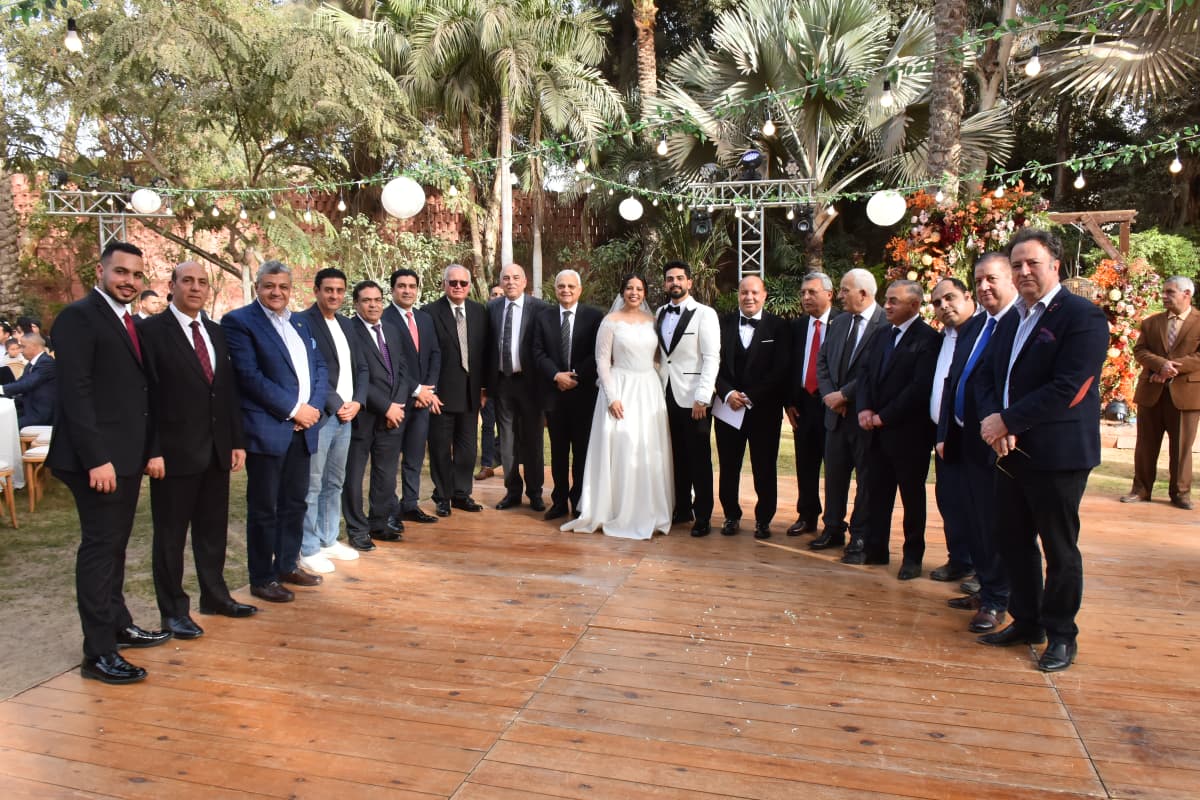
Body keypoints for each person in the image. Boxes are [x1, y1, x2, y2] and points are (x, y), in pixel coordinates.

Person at [975, 227, 1109, 673]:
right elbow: (986, 376)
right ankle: (1027, 621)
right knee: (1013, 540)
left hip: (1057, 453)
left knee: (1059, 547)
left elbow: (1070, 387)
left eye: (1032, 262)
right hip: (1009, 452)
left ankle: (1062, 634)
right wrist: (995, 421)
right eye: (1016, 264)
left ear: (1055, 264)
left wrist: (1009, 420)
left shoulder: (1082, 316)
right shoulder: (1011, 319)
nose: (1024, 271)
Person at [47, 241, 170, 685]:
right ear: (100, 271)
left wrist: (150, 449)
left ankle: (118, 624)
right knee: (101, 550)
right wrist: (96, 459)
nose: (129, 281)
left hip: (126, 457)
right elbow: (75, 393)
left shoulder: (129, 321)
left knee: (116, 546)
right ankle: (98, 653)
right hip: (96, 462)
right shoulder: (78, 318)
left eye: (136, 275)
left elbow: (141, 393)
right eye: (121, 272)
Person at [141, 261, 256, 640]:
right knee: (171, 537)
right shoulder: (151, 332)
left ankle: (215, 596)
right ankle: (174, 611)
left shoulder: (215, 332)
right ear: (171, 285)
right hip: (173, 454)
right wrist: (151, 450)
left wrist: (236, 440)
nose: (195, 288)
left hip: (216, 451)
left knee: (212, 531)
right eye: (187, 281)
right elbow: (145, 397)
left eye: (202, 282)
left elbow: (226, 391)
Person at [222, 261, 328, 604]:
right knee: (264, 508)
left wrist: (313, 409)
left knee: (295, 503)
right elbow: (249, 376)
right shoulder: (239, 322)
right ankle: (262, 577)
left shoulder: (299, 322)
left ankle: (286, 565)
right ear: (257, 287)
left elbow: (319, 367)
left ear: (290, 288)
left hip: (303, 429)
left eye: (283, 286)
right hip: (269, 430)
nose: (276, 292)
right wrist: (294, 409)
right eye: (269, 285)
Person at [937, 253, 1020, 634]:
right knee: (973, 521)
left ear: (1011, 279)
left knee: (995, 525)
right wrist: (945, 433)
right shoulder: (976, 326)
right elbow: (954, 382)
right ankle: (986, 588)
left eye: (992, 279)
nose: (984, 287)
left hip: (1000, 444)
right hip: (964, 439)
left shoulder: (1018, 324)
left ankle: (998, 600)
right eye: (979, 280)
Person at [563, 273, 672, 538]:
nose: (634, 292)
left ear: (645, 293)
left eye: (639, 289)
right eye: (629, 288)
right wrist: (612, 396)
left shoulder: (653, 321)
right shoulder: (610, 321)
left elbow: (660, 358)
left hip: (648, 389)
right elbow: (602, 361)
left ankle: (648, 509)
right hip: (620, 387)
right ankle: (613, 508)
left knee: (646, 447)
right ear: (622, 292)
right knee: (621, 446)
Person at [852, 280, 941, 578]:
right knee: (877, 493)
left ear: (914, 305)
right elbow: (865, 373)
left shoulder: (928, 339)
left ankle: (912, 557)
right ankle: (876, 549)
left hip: (908, 435)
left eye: (894, 301)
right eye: (887, 299)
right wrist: (864, 408)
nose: (886, 306)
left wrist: (884, 416)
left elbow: (919, 388)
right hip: (875, 432)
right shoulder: (881, 334)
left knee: (911, 498)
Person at [298, 268, 370, 570]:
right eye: (329, 290)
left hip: (347, 415)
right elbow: (311, 371)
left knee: (334, 481)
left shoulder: (347, 324)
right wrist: (338, 404)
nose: (334, 295)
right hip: (323, 415)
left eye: (340, 290)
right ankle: (308, 547)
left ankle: (328, 539)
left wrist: (358, 402)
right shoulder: (303, 322)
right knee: (312, 483)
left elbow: (362, 368)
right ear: (316, 290)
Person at [812, 268, 887, 555]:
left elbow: (875, 369)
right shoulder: (840, 321)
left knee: (866, 480)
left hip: (864, 417)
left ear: (863, 293)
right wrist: (831, 396)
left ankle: (860, 535)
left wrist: (845, 395)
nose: (840, 295)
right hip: (835, 417)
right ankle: (832, 528)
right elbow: (822, 362)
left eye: (845, 290)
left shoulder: (884, 323)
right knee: (834, 476)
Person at [714, 276, 792, 539]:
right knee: (728, 466)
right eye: (744, 292)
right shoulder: (722, 323)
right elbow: (711, 363)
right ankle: (730, 515)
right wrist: (727, 393)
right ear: (738, 294)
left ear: (764, 295)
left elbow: (781, 368)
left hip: (764, 411)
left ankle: (763, 520)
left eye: (754, 292)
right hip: (728, 409)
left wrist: (750, 396)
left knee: (765, 467)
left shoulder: (779, 326)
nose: (749, 297)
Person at [342, 280, 413, 547]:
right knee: (354, 476)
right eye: (366, 300)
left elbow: (402, 370)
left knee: (385, 473)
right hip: (363, 416)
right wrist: (386, 407)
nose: (373, 305)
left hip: (392, 416)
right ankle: (357, 529)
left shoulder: (391, 330)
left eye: (377, 300)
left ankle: (380, 523)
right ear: (356, 304)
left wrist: (398, 404)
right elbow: (358, 376)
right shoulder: (349, 330)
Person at [1122, 276, 1199, 510]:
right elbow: (1140, 351)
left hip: (1186, 395)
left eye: (1170, 292)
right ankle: (1140, 490)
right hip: (1151, 392)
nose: (1164, 296)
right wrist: (1160, 365)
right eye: (1163, 292)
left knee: (1182, 449)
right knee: (1145, 445)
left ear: (1187, 294)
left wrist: (1173, 367)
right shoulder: (1151, 323)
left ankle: (1181, 493)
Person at [657, 260, 721, 537]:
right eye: (670, 278)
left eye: (680, 278)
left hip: (694, 398)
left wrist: (703, 397)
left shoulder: (705, 314)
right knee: (676, 455)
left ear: (689, 282)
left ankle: (703, 515)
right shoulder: (660, 312)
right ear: (665, 284)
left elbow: (711, 357)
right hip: (665, 394)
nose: (675, 282)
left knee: (699, 458)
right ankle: (682, 507)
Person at [532, 269, 602, 520]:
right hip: (554, 395)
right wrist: (556, 376)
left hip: (583, 395)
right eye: (561, 286)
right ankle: (559, 501)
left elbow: (597, 353)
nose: (566, 290)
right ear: (555, 289)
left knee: (582, 452)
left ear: (579, 290)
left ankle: (579, 501)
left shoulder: (594, 317)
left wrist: (574, 376)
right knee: (559, 452)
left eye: (571, 286)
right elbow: (537, 351)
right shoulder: (543, 317)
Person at [425, 264, 489, 517]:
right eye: (453, 283)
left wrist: (484, 388)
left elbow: (484, 352)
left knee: (468, 450)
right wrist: (429, 391)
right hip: (441, 394)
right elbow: (425, 356)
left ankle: (462, 494)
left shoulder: (478, 311)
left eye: (463, 283)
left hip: (471, 394)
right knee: (440, 449)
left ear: (469, 286)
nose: (458, 287)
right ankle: (442, 496)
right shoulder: (430, 313)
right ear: (444, 284)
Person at [382, 268, 442, 525]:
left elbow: (435, 354)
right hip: (395, 401)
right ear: (392, 289)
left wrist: (428, 390)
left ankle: (410, 504)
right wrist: (417, 390)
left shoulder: (424, 318)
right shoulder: (384, 319)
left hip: (422, 402)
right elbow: (393, 362)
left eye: (411, 286)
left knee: (415, 457)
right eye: (401, 286)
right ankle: (389, 510)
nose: (407, 290)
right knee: (388, 461)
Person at [926, 277, 977, 583]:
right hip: (942, 432)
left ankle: (985, 570)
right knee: (949, 500)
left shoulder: (982, 332)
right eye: (937, 302)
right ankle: (959, 559)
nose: (943, 306)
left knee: (977, 504)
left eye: (950, 298)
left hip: (971, 434)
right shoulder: (941, 338)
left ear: (968, 296)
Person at [488, 263, 550, 511]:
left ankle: (535, 493)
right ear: (501, 283)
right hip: (502, 382)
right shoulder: (492, 308)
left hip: (530, 384)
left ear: (525, 282)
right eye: (506, 278)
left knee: (533, 440)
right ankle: (512, 491)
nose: (510, 282)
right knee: (506, 441)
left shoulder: (540, 309)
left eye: (516, 278)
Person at [785, 273, 838, 536]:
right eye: (803, 292)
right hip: (803, 406)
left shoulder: (843, 323)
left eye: (812, 292)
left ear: (829, 294)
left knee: (836, 468)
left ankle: (834, 522)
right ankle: (807, 516)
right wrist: (789, 402)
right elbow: (788, 366)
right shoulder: (796, 327)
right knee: (805, 465)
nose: (806, 297)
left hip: (834, 406)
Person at [476, 282, 504, 480]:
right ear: (489, 298)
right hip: (489, 384)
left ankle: (505, 462)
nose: (498, 297)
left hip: (510, 383)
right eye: (494, 294)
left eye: (501, 294)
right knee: (488, 425)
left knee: (508, 426)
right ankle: (486, 464)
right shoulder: (483, 322)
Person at [0, 332, 56, 425]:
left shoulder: (47, 363)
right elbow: (20, 382)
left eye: (23, 347)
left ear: (34, 346)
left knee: (5, 424)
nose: (21, 350)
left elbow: (27, 384)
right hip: (27, 409)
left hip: (40, 414)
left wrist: (1, 389)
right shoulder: (31, 364)